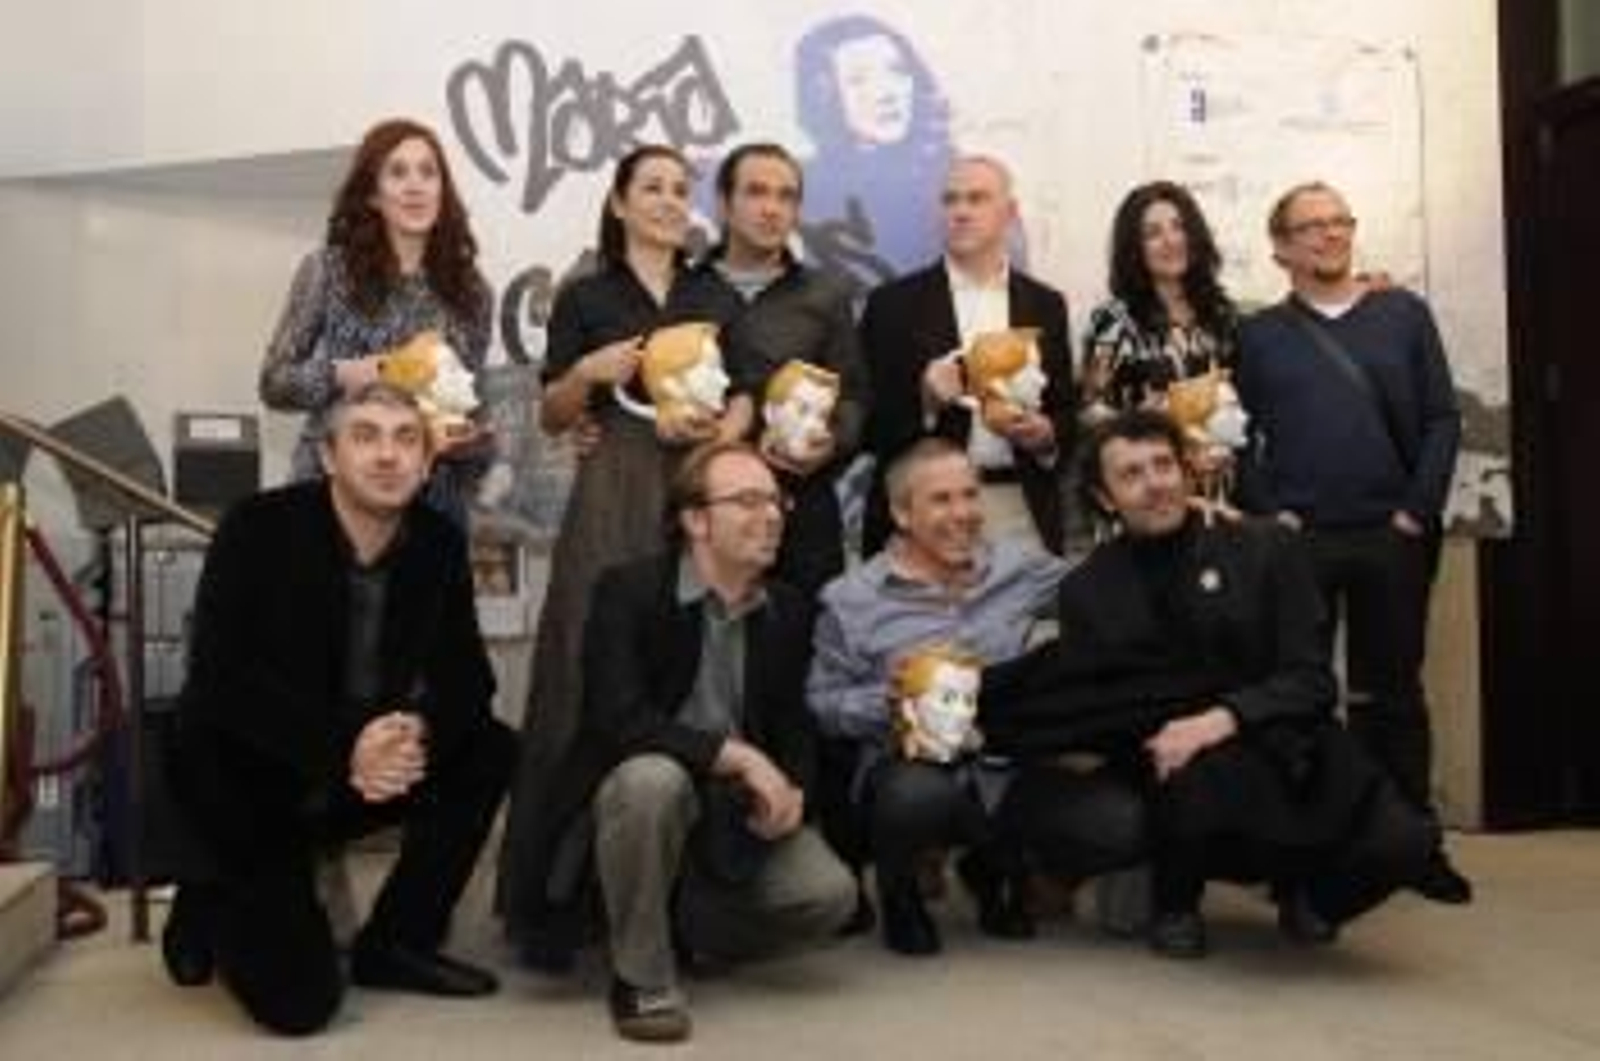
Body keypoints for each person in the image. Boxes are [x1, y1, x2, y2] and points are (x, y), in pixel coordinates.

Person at [985, 410, 1433, 958]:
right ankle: (1176, 903)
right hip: (1172, 764)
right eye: (1131, 474)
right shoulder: (1088, 590)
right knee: (1180, 774)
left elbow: (1312, 682)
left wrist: (1221, 719)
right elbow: (1098, 707)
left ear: (1187, 471)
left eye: (1164, 465)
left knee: (1409, 842)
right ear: (1105, 499)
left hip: (1287, 740)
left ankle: (1313, 898)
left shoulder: (1267, 547)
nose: (1155, 484)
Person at [160, 384, 515, 1035]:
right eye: (366, 435)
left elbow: (469, 677)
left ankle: (397, 942)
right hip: (250, 773)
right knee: (301, 1005)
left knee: (490, 746)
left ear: (427, 460)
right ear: (327, 455)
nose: (387, 455)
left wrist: (417, 731)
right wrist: (345, 745)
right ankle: (210, 889)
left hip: (363, 764)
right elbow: (221, 680)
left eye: (406, 439)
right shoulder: (257, 526)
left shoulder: (436, 541)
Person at [511, 441, 854, 1043]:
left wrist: (794, 789)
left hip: (732, 813)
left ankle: (675, 921)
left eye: (776, 501)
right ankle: (641, 977)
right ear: (695, 520)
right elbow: (618, 719)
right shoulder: (630, 591)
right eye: (747, 501)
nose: (771, 516)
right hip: (640, 797)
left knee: (829, 897)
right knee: (651, 779)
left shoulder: (790, 607)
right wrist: (739, 756)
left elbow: (794, 722)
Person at [496, 146, 748, 946]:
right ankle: (551, 902)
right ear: (619, 202)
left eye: (681, 189)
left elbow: (745, 396)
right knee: (579, 673)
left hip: (696, 483)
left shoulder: (712, 291)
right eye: (654, 188)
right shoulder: (587, 293)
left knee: (691, 672)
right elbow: (553, 414)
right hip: (611, 488)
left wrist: (715, 446)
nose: (671, 201)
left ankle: (683, 898)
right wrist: (592, 372)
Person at [808, 438, 1147, 956]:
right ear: (902, 513)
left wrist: (1175, 528)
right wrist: (890, 700)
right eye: (941, 500)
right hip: (909, 771)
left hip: (1006, 767)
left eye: (970, 495)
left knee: (1121, 825)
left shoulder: (1019, 568)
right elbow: (822, 703)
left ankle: (993, 866)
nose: (963, 513)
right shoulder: (852, 599)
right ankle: (901, 895)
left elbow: (1101, 587)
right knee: (917, 797)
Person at [1236, 180, 1472, 904]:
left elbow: (1441, 417)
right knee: (1302, 694)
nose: (1331, 235)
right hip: (1300, 540)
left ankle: (1412, 843)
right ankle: (1306, 850)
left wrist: (1414, 511)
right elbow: (1234, 433)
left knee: (1393, 691)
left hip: (1390, 533)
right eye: (1312, 226)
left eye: (1341, 221)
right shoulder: (1259, 335)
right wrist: (1270, 510)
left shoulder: (1402, 313)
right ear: (1281, 247)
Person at [259, 117, 494, 528]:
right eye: (397, 172)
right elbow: (274, 382)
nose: (415, 186)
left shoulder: (471, 290)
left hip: (431, 503)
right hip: (331, 494)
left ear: (443, 189)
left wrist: (467, 437)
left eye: (428, 171)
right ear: (372, 194)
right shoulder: (328, 270)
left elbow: (473, 408)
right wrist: (344, 374)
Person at [859, 155, 1074, 556]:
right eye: (950, 200)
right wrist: (923, 403)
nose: (960, 211)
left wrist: (1046, 436)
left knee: (1026, 620)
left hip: (1018, 510)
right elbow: (867, 428)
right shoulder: (891, 305)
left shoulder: (1046, 305)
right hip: (923, 517)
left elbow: (1066, 412)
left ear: (1009, 213)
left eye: (977, 199)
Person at [700, 142, 871, 595]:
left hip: (801, 512)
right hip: (704, 516)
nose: (772, 209)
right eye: (756, 192)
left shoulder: (825, 295)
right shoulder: (684, 290)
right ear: (723, 203)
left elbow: (855, 398)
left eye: (786, 196)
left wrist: (829, 443)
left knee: (801, 653)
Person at [793, 14, 954, 291]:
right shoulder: (801, 185)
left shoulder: (956, 178)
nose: (887, 93)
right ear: (825, 95)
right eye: (859, 80)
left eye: (897, 71)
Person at [1081, 181, 1240, 424]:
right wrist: (1141, 421)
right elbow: (1090, 413)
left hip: (1223, 458)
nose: (1170, 241)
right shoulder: (1112, 321)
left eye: (1179, 227)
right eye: (1152, 234)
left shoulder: (1223, 313)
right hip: (1150, 457)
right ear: (1134, 248)